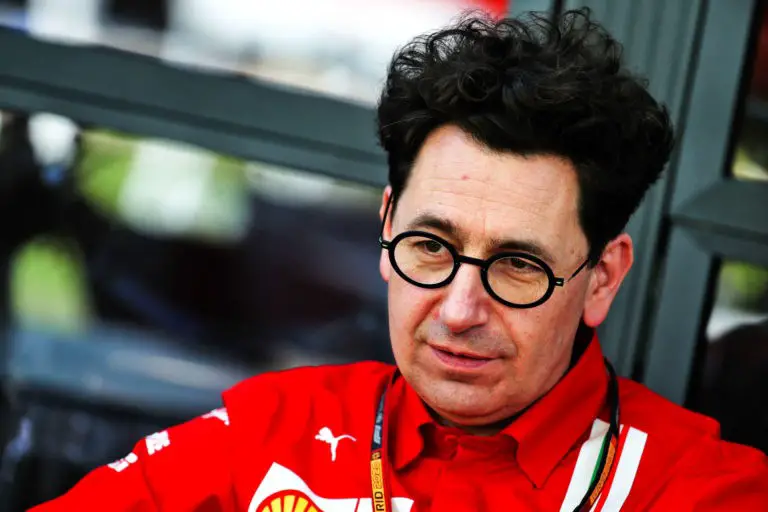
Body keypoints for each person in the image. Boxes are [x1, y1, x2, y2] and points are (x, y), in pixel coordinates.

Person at [31, 8, 768, 511]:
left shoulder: (704, 491)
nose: (459, 310)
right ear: (387, 227)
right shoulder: (272, 432)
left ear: (601, 278)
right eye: (431, 247)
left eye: (518, 265)